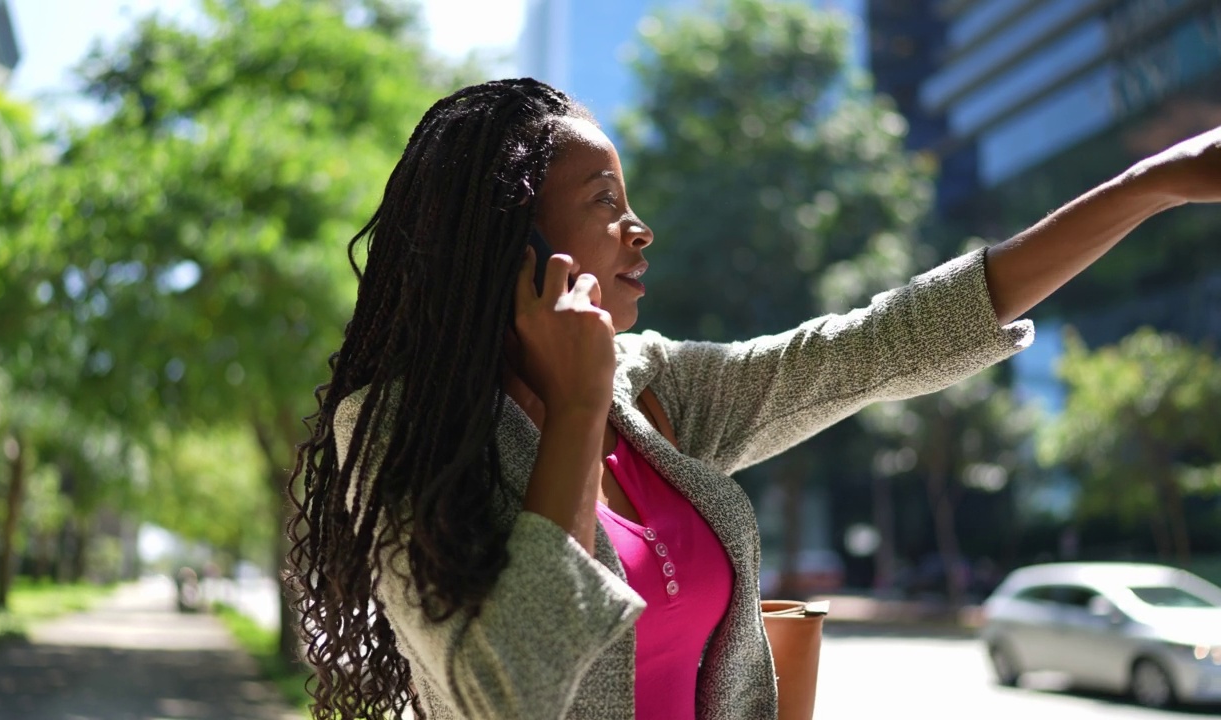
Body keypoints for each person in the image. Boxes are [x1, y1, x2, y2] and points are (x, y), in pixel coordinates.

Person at [285, 78, 1221, 720]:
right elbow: (505, 690)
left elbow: (874, 346)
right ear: (509, 245)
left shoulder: (649, 387)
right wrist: (573, 409)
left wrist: (1154, 186)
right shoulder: (398, 429)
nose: (640, 231)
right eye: (605, 202)